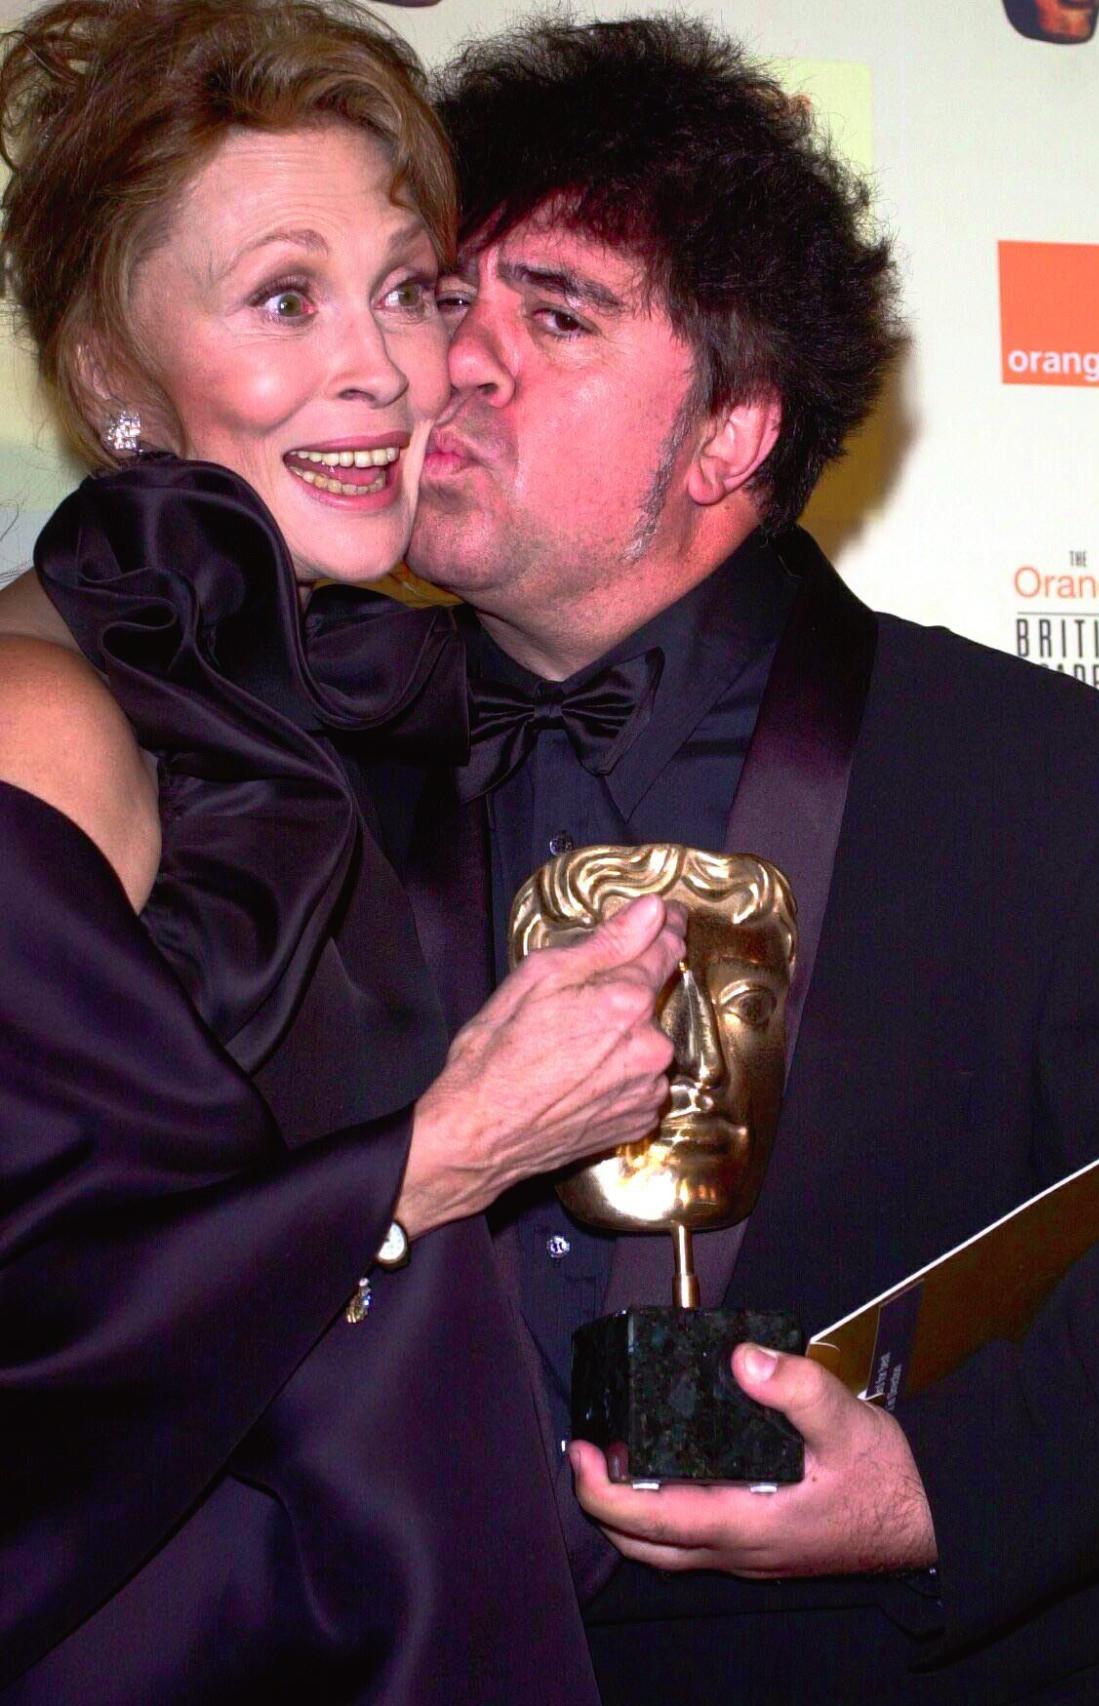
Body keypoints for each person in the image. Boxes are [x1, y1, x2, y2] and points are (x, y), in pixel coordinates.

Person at [396, 16, 1099, 1702]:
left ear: (730, 432)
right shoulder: (285, 783)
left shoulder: (1072, 795)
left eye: (556, 313)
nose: (459, 362)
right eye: (446, 299)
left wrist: (932, 1488)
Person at [0, 2, 683, 1699]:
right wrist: (437, 1153)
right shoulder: (39, 719)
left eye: (408, 288)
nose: (384, 365)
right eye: (284, 298)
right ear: (110, 378)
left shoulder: (344, 711)